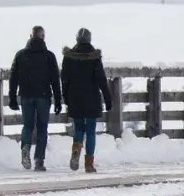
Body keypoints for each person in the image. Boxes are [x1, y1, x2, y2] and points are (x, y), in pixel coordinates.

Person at [8, 26, 61, 170]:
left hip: (26, 95)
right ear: (43, 37)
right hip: (43, 96)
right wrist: (58, 99)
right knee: (42, 127)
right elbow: (55, 79)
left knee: (28, 125)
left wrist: (12, 97)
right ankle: (39, 160)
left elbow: (13, 78)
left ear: (30, 36)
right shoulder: (49, 56)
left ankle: (25, 149)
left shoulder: (21, 55)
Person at [61, 28, 113, 173]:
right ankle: (89, 163)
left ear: (77, 39)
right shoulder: (94, 57)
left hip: (75, 97)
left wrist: (65, 97)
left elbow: (64, 79)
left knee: (78, 128)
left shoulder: (69, 57)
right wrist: (108, 98)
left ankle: (76, 149)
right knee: (90, 130)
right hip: (91, 97)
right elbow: (101, 80)